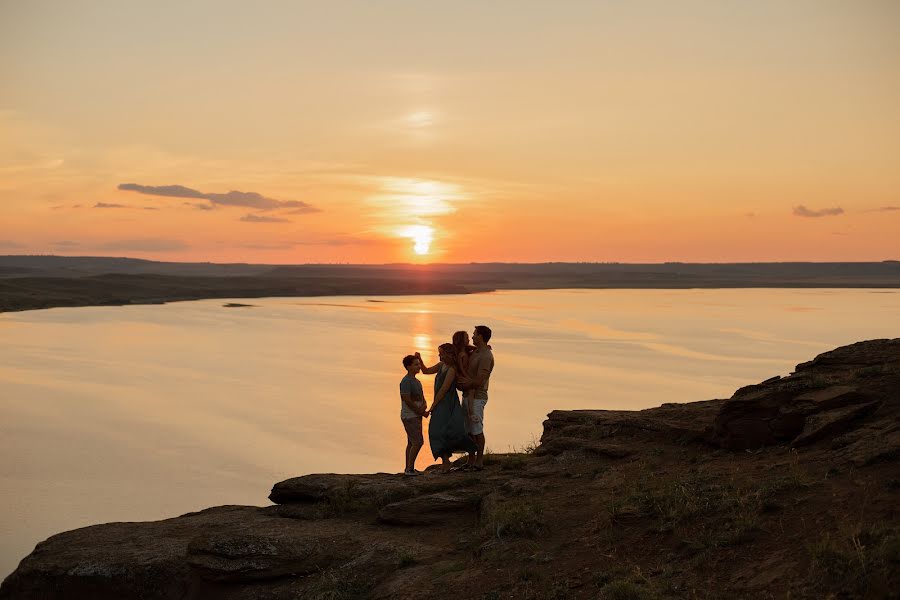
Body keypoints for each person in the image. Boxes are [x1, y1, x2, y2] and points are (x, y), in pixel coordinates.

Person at [426, 343, 477, 473]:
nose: (439, 355)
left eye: (441, 353)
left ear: (448, 354)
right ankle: (446, 461)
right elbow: (426, 371)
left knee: (451, 431)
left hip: (447, 403)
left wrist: (433, 404)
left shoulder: (452, 369)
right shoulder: (441, 366)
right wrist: (419, 359)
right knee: (437, 431)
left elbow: (444, 389)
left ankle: (471, 452)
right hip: (440, 403)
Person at [457, 325, 494, 471]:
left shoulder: (486, 356)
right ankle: (470, 460)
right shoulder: (476, 351)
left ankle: (479, 461)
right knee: (468, 430)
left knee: (477, 429)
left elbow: (480, 380)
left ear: (481, 337)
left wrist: (464, 383)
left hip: (478, 397)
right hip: (467, 395)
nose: (472, 337)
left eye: (474, 334)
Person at [399, 354, 428, 476]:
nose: (419, 366)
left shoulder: (417, 381)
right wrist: (419, 411)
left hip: (416, 415)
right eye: (416, 364)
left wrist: (424, 406)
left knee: (411, 442)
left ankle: (408, 468)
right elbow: (407, 399)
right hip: (410, 415)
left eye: (419, 364)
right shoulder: (405, 381)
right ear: (408, 366)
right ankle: (409, 469)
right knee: (417, 442)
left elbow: (422, 398)